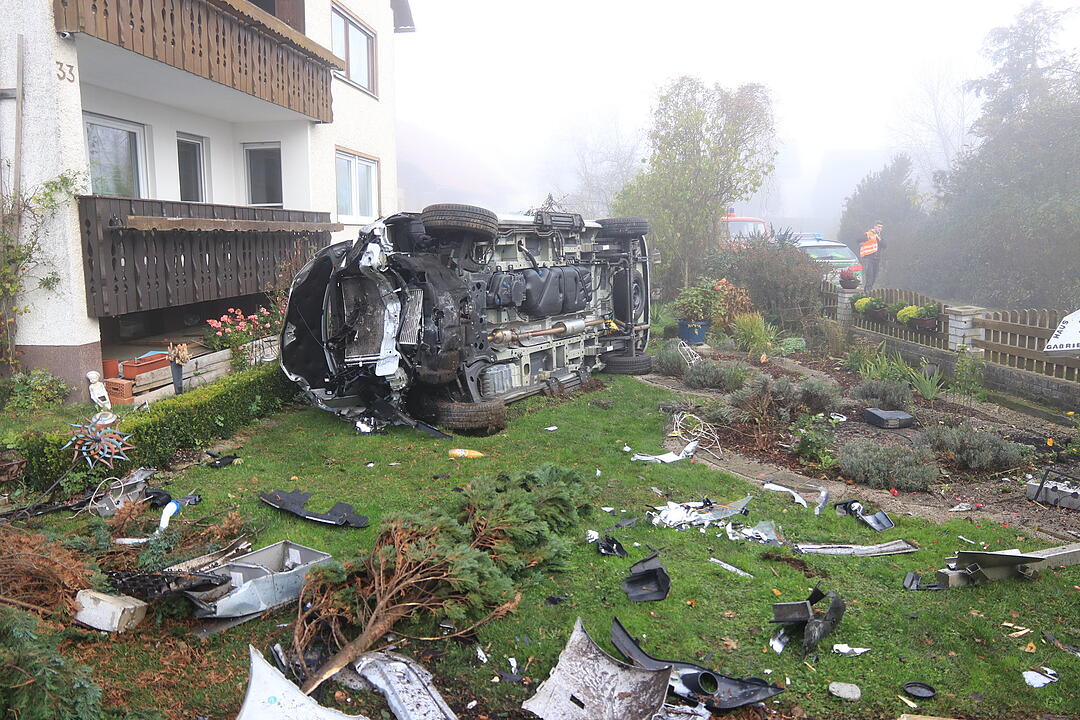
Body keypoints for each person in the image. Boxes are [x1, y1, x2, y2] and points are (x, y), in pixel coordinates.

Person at [859, 221, 884, 290]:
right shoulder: (868, 234)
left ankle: (868, 291)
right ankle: (867, 292)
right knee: (869, 276)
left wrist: (879, 239)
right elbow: (859, 240)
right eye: (878, 227)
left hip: (877, 259)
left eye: (881, 227)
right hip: (868, 258)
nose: (880, 229)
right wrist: (867, 238)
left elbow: (885, 245)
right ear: (874, 226)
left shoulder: (880, 237)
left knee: (874, 277)